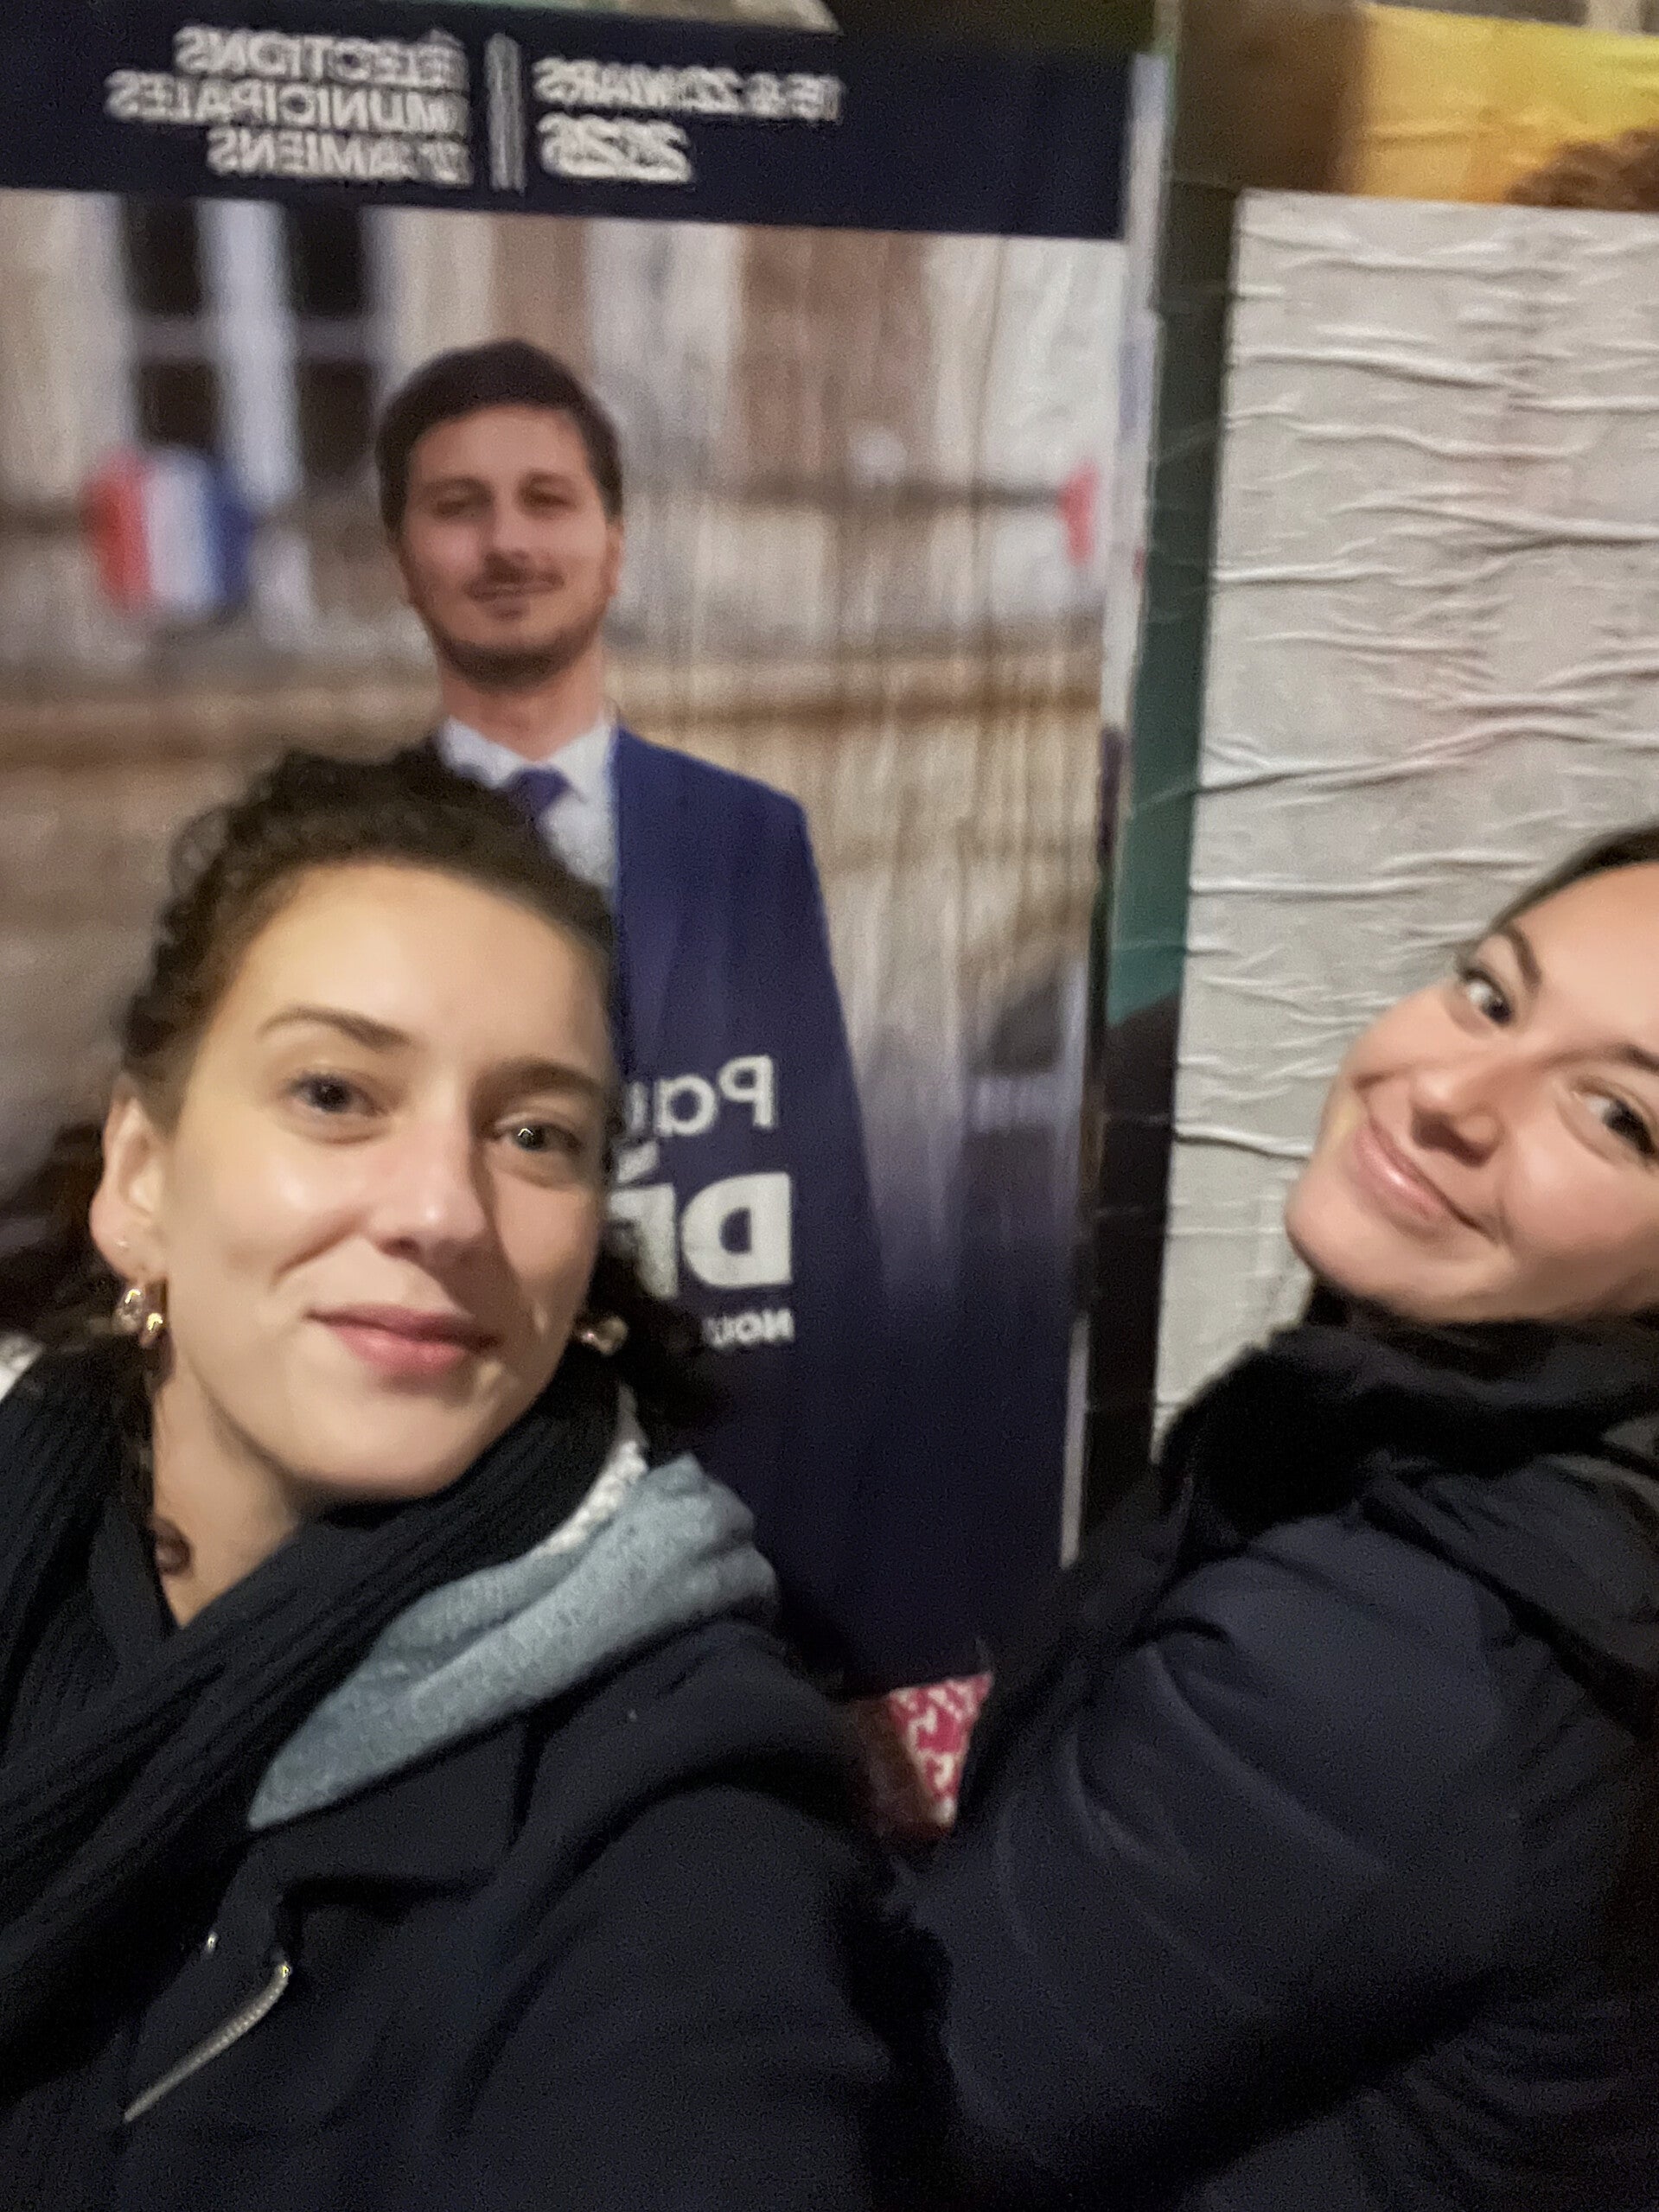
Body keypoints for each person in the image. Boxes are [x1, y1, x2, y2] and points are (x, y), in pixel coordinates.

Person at [0, 749, 906, 2211]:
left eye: (535, 1134)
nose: (443, 1209)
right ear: (141, 1175)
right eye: (336, 1092)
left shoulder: (674, 1808)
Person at [909, 826, 1659, 2209]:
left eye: (1617, 1117)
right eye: (1491, 994)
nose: (1449, 1092)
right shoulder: (1452, 1458)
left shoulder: (1398, 1656)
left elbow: (903, 2112)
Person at [374, 341, 889, 1682]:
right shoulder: (350, 849)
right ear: (402, 555)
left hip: (734, 1502)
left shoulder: (749, 836)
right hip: (449, 1528)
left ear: (613, 546)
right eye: (459, 506)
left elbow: (820, 1192)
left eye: (546, 500)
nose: (506, 542)